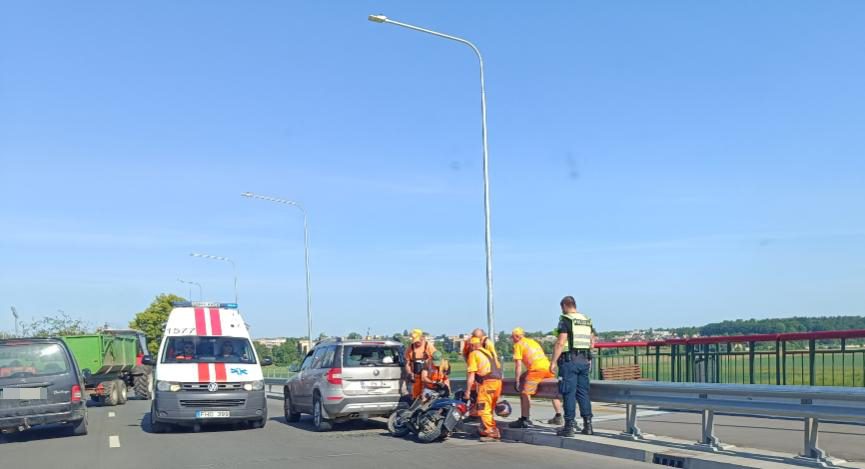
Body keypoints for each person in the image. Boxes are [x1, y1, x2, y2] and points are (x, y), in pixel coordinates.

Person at [550, 296, 595, 436]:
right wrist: (589, 357)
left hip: (569, 361)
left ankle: (568, 427)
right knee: (583, 393)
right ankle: (588, 426)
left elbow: (560, 342)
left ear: (564, 306)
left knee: (568, 393)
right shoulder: (586, 319)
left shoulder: (566, 319)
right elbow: (592, 339)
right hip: (584, 360)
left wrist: (553, 362)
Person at [508, 327, 564, 428]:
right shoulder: (531, 341)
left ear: (516, 337)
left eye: (513, 338)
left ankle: (525, 419)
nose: (512, 340)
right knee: (552, 392)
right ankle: (559, 415)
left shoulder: (518, 345)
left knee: (525, 393)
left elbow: (518, 365)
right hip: (547, 367)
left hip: (536, 370)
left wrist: (517, 380)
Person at [465, 336, 503, 442]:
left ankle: (492, 431)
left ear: (472, 345)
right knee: (489, 408)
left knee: (483, 408)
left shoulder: (474, 354)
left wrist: (468, 391)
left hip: (487, 383)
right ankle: (485, 429)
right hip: (498, 383)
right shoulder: (488, 352)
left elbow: (471, 375)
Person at [404, 329, 436, 399]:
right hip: (416, 378)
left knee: (427, 396)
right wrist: (410, 373)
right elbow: (407, 363)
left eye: (418, 341)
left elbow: (436, 360)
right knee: (416, 396)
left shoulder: (428, 346)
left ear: (422, 337)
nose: (416, 343)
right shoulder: (410, 348)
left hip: (428, 377)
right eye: (415, 341)